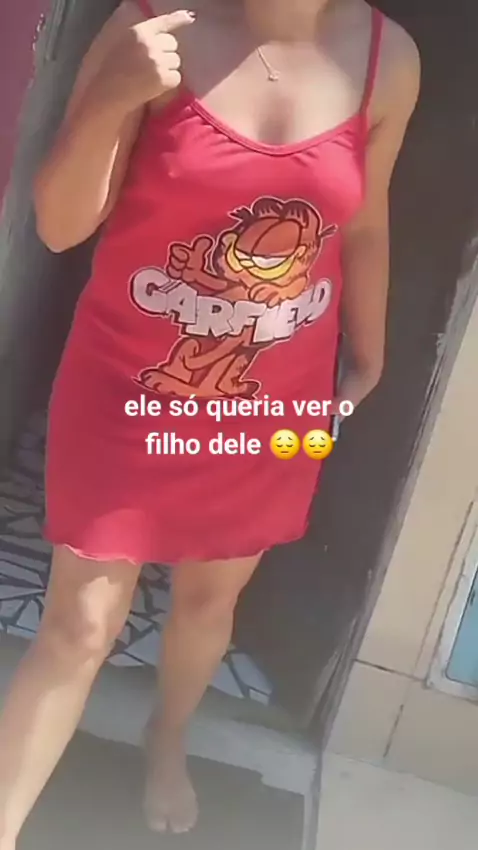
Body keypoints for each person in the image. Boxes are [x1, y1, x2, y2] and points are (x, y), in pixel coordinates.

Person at [0, 0, 420, 842]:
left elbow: (365, 222)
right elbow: (60, 224)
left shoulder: (388, 58)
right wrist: (111, 95)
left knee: (207, 600)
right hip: (128, 384)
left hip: (274, 397)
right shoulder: (154, 26)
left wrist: (371, 351)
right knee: (80, 624)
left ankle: (167, 739)